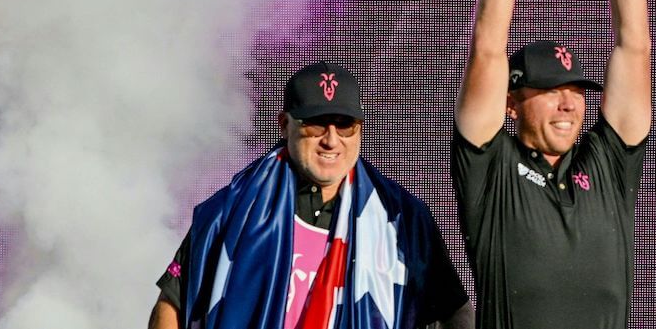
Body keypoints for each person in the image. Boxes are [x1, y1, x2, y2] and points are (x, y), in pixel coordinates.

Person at [452, 0, 652, 329]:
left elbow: (634, 47)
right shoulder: (492, 169)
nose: (568, 103)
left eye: (575, 91)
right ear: (511, 103)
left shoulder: (607, 165)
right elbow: (487, 51)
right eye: (547, 91)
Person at [149, 60, 473, 329]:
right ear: (285, 124)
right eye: (316, 125)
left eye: (345, 125)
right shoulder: (231, 210)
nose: (331, 140)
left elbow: (454, 309)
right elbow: (172, 302)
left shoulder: (401, 217)